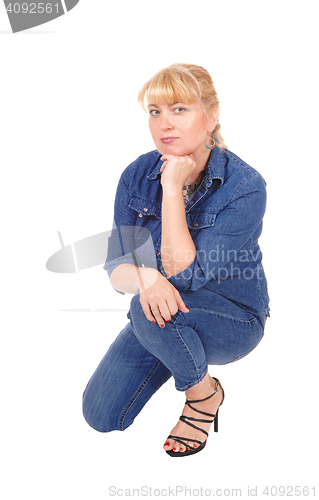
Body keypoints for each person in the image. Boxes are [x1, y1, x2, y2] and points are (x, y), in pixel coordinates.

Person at [82, 63, 270, 457]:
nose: (164, 124)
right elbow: (117, 271)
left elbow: (186, 275)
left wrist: (170, 190)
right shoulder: (136, 174)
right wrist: (147, 276)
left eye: (179, 109)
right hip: (160, 310)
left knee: (145, 307)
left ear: (211, 117)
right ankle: (178, 350)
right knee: (100, 416)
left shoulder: (244, 187)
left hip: (233, 319)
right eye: (155, 112)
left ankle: (203, 398)